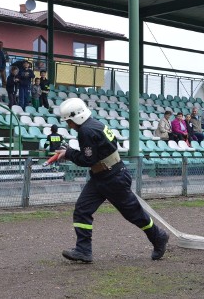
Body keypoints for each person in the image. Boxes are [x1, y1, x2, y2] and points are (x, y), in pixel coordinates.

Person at [52, 98, 169, 263]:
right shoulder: (95, 124)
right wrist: (70, 152)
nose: (68, 125)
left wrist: (69, 153)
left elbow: (88, 160)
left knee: (134, 214)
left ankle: (159, 237)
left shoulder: (85, 131)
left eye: (69, 121)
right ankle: (83, 250)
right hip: (102, 176)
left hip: (113, 178)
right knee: (82, 210)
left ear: (76, 117)